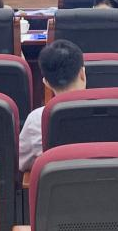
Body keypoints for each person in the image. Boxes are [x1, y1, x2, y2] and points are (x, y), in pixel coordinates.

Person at [18, 40, 86, 172]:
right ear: (82, 74)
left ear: (46, 82)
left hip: (61, 183)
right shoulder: (116, 110)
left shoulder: (37, 119)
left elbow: (22, 164)